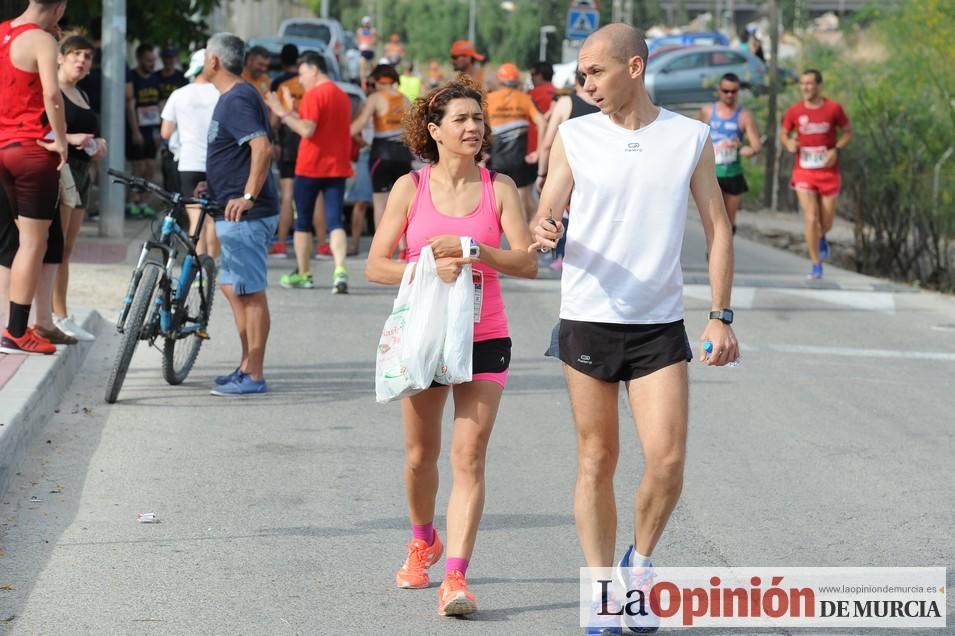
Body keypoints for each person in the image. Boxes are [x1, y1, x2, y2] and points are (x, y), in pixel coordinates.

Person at [530, 24, 739, 634]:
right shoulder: (575, 135)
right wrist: (545, 228)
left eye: (595, 72)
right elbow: (547, 209)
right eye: (582, 74)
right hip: (589, 316)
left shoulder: (689, 137)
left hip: (657, 325)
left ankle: (638, 569)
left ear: (636, 67)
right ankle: (600, 588)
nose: (585, 83)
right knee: (598, 458)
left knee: (668, 461)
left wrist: (720, 315)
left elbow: (718, 227)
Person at [365, 75, 537, 618]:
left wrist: (474, 249)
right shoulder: (409, 189)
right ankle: (423, 540)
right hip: (427, 335)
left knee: (470, 455)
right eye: (460, 119)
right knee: (421, 456)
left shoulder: (499, 188)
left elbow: (527, 261)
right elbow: (375, 265)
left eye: (477, 118)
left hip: (486, 335)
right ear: (433, 131)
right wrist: (427, 266)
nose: (472, 127)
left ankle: (456, 578)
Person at [202, 33, 280, 396]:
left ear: (214, 61)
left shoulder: (237, 99)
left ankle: (255, 375)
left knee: (251, 294)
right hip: (229, 212)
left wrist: (248, 194)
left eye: (206, 55)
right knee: (233, 287)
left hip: (246, 214)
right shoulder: (237, 97)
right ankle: (246, 365)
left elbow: (261, 148)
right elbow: (237, 152)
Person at [0, 0, 69, 355]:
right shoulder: (42, 40)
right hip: (30, 150)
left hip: (3, 147)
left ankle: (13, 324)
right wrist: (61, 139)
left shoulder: (3, 32)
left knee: (17, 239)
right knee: (33, 243)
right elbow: (52, 95)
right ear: (59, 7)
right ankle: (15, 332)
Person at [264, 51, 353, 293]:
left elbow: (307, 130)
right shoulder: (342, 95)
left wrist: (281, 112)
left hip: (311, 166)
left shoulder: (315, 94)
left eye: (302, 74)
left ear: (314, 70)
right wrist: (292, 112)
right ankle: (340, 270)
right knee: (335, 222)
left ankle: (304, 274)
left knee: (302, 223)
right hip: (336, 167)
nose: (300, 80)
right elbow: (317, 125)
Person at [53, 34, 108, 342]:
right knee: (55, 249)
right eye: (75, 54)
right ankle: (56, 316)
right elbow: (36, 132)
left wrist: (98, 144)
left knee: (66, 250)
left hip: (83, 172)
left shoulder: (82, 94)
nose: (82, 61)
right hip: (61, 172)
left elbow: (87, 134)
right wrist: (69, 140)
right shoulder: (51, 90)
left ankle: (60, 313)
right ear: (60, 57)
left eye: (87, 57)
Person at [782, 69, 852, 280]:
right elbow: (784, 133)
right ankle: (815, 263)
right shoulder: (795, 111)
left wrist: (836, 149)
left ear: (819, 86)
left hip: (828, 171)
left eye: (810, 83)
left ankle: (821, 236)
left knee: (826, 220)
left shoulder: (833, 109)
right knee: (811, 217)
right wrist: (789, 143)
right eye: (802, 83)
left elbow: (848, 132)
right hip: (803, 170)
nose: (805, 87)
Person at [535, 68, 599, 272]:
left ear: (575, 80)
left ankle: (560, 254)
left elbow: (547, 143)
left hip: (569, 169)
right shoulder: (607, 104)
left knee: (560, 213)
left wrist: (542, 173)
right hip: (598, 172)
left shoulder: (567, 103)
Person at [160, 48, 220, 256]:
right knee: (212, 217)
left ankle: (194, 267)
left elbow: (166, 132)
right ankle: (212, 266)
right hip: (216, 163)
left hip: (189, 163)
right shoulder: (221, 93)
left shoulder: (179, 94)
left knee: (195, 217)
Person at [349, 64, 413, 233]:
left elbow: (361, 122)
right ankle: (403, 249)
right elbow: (414, 130)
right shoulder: (405, 99)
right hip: (403, 155)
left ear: (377, 81)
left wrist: (340, 137)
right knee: (403, 205)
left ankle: (382, 248)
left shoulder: (376, 98)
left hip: (381, 154)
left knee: (380, 205)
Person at [697, 72, 761, 236]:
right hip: (712, 173)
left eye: (733, 91)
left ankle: (724, 252)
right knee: (713, 219)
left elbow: (756, 145)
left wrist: (746, 149)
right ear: (719, 90)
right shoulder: (707, 111)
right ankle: (712, 252)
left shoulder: (744, 116)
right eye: (726, 90)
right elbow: (696, 139)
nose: (729, 95)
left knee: (728, 220)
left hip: (733, 173)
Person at [486, 63, 546, 221]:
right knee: (525, 203)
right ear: (517, 81)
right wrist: (539, 151)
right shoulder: (525, 98)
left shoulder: (489, 99)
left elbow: (481, 125)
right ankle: (534, 240)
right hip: (519, 158)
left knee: (493, 205)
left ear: (500, 81)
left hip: (496, 158)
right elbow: (541, 122)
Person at [267, 44, 305, 258]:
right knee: (313, 194)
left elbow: (274, 120)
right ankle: (320, 243)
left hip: (288, 141)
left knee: (287, 193)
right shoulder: (308, 83)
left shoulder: (280, 83)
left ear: (281, 61)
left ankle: (281, 243)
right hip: (308, 140)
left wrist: (275, 142)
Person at [125, 43, 161, 218]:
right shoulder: (132, 77)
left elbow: (159, 104)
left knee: (151, 168)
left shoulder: (155, 78)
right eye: (148, 61)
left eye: (153, 61)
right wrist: (135, 130)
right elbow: (129, 105)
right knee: (138, 167)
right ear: (139, 59)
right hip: (136, 130)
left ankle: (142, 202)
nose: (151, 64)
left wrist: (159, 130)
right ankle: (132, 202)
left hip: (151, 130)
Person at [157, 47, 188, 194]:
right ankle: (168, 196)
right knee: (164, 164)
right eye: (166, 58)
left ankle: (175, 196)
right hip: (156, 122)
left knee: (174, 162)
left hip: (177, 125)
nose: (169, 61)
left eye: (171, 58)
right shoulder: (156, 77)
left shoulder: (181, 78)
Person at [356, 16, 377, 89]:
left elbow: (375, 41)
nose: (367, 24)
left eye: (368, 23)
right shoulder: (360, 31)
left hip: (370, 51)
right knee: (362, 68)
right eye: (366, 23)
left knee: (372, 68)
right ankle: (363, 83)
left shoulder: (372, 31)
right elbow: (358, 40)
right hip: (363, 51)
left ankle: (373, 83)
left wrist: (373, 39)